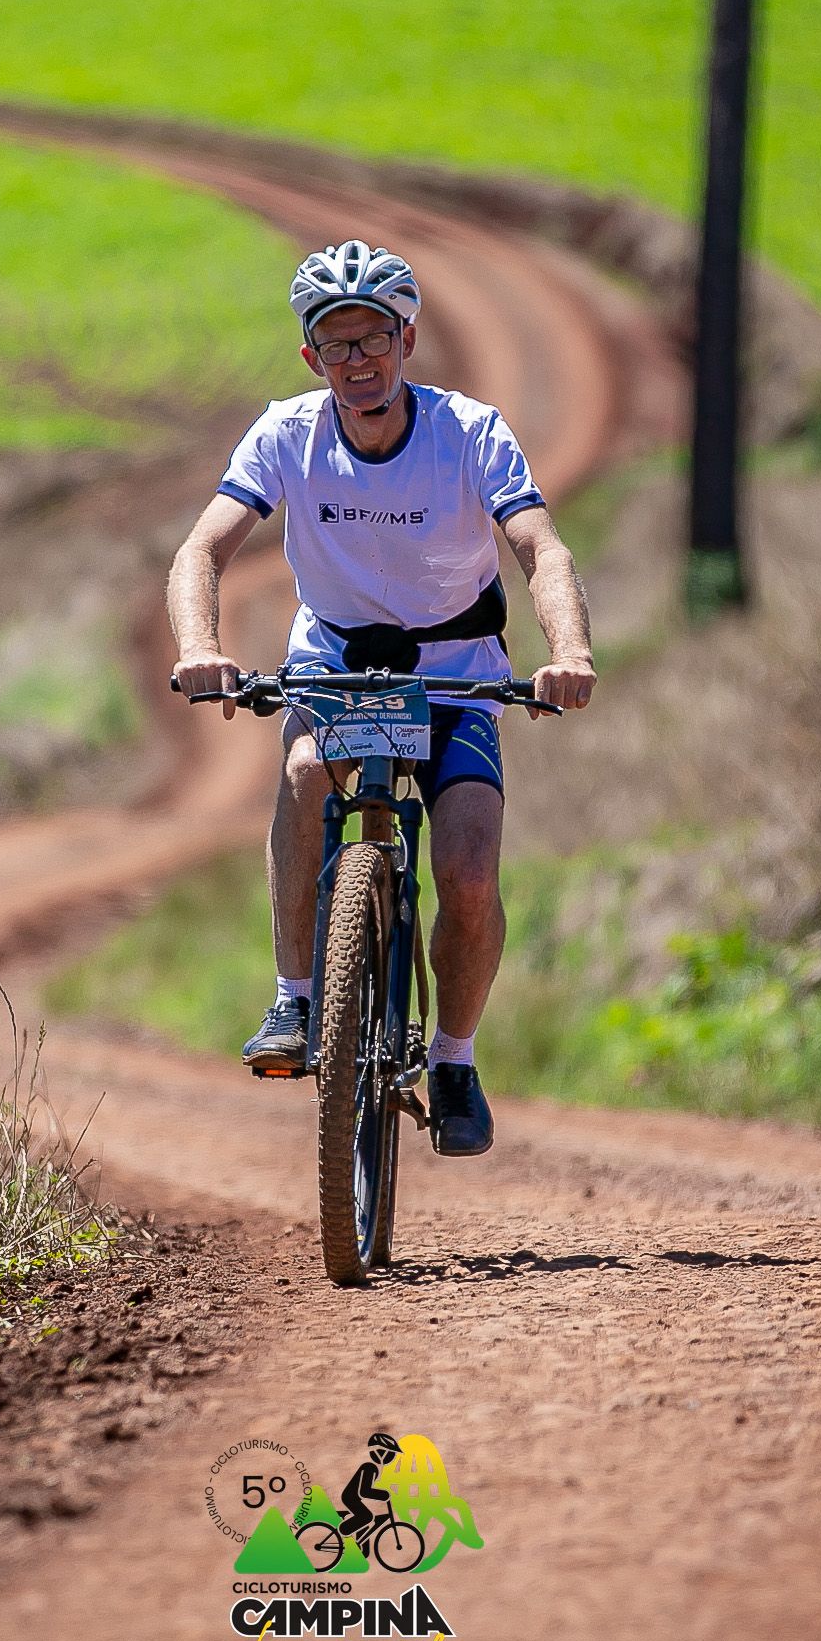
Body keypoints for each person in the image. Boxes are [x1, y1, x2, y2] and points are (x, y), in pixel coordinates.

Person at [167, 241, 597, 1158]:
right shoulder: (286, 434)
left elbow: (540, 549)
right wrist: (200, 647)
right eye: (337, 344)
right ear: (310, 357)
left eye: (373, 338)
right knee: (304, 774)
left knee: (469, 870)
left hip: (455, 676)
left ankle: (454, 1060)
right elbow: (203, 549)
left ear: (408, 340)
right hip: (337, 667)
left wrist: (570, 652)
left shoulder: (470, 432)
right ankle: (295, 999)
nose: (357, 360)